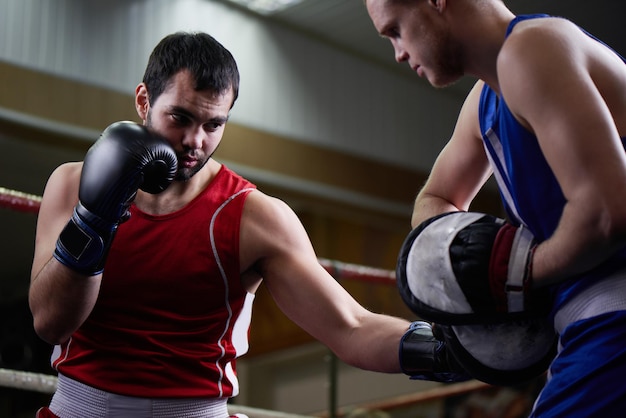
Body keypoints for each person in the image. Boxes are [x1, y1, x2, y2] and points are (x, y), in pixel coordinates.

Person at [28, 31, 470, 418]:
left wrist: (448, 348)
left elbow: (351, 327)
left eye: (213, 124)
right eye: (180, 118)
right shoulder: (72, 184)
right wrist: (96, 218)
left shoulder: (254, 217)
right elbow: (51, 323)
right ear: (144, 99)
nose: (195, 141)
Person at [364, 0, 626, 416]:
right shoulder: (486, 97)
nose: (398, 52)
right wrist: (460, 263)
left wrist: (511, 274)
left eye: (396, 30)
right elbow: (436, 199)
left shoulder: (534, 48)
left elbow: (607, 213)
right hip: (584, 325)